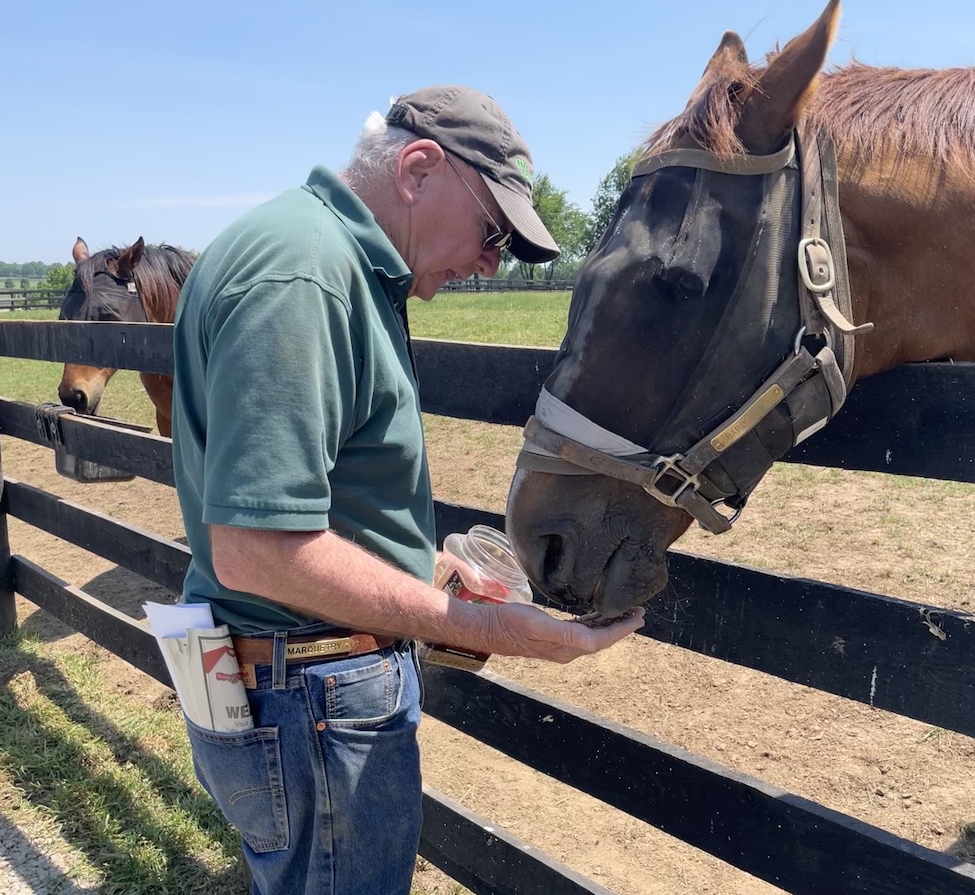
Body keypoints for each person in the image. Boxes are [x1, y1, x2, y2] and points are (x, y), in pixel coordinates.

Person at [170, 85, 645, 895]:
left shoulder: (321, 259)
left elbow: (314, 502)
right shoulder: (308, 277)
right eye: (493, 230)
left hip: (290, 687)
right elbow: (256, 550)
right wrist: (474, 621)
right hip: (315, 698)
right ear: (419, 168)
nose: (492, 261)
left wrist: (417, 563)